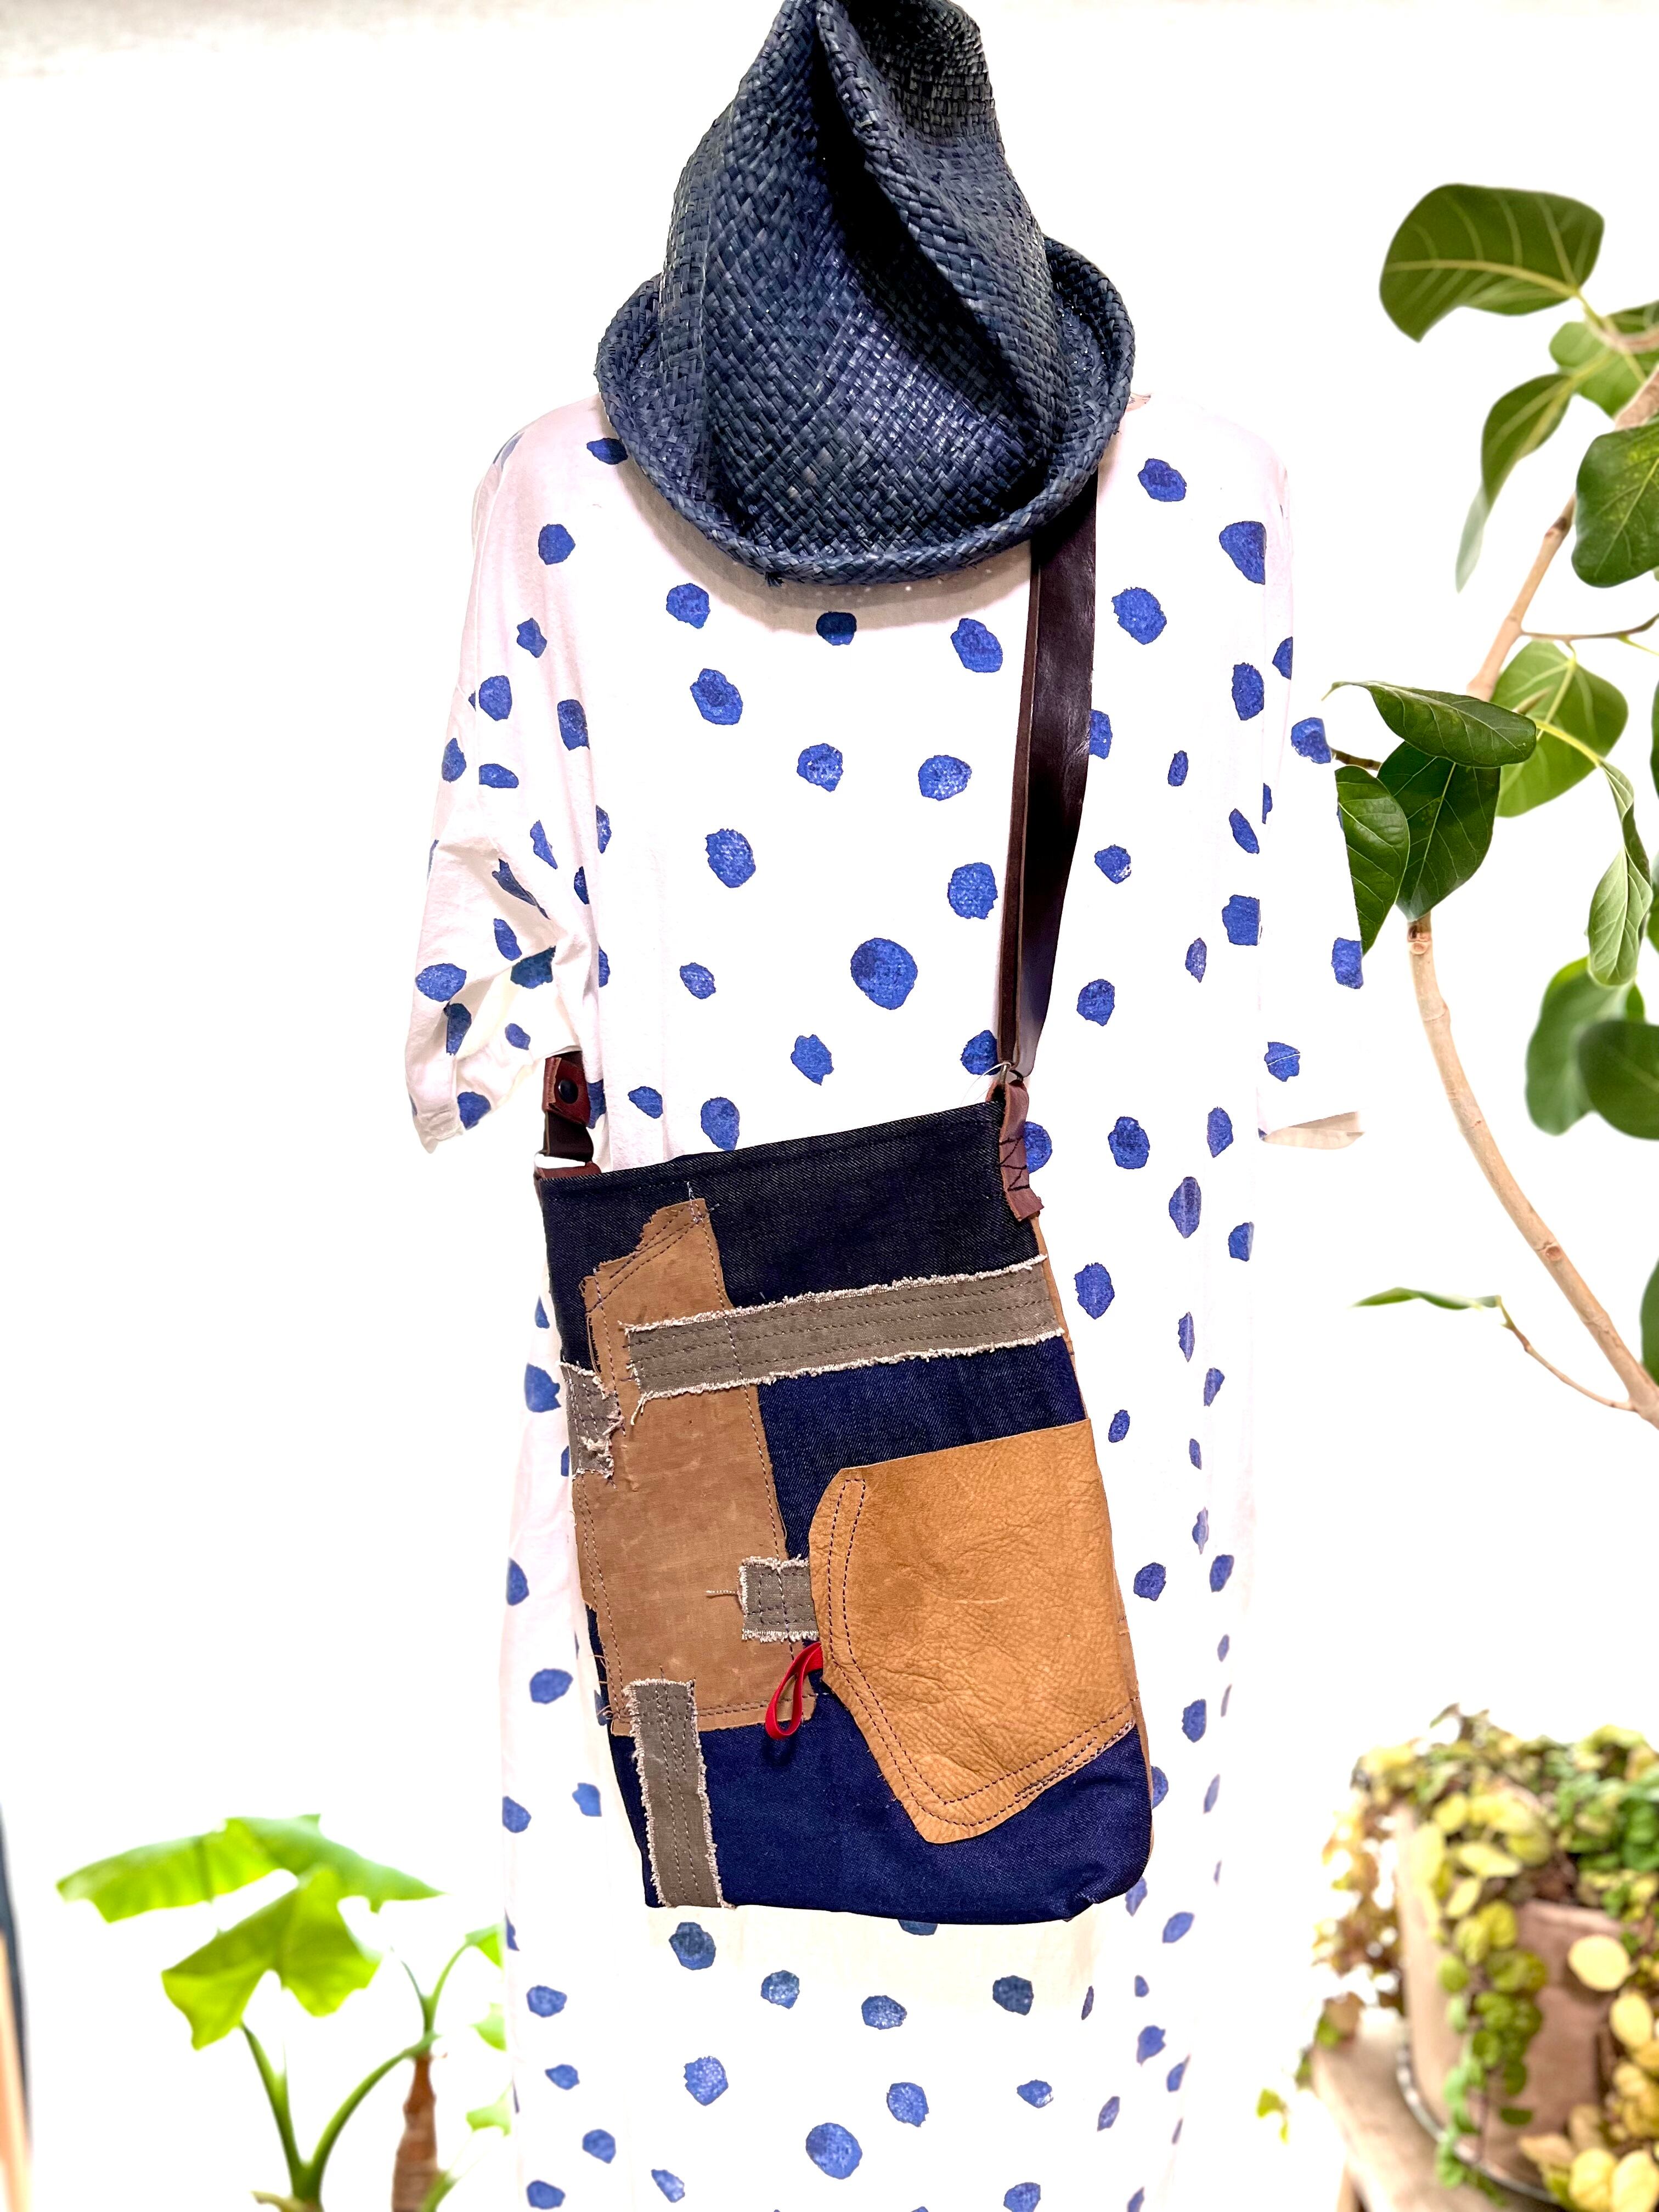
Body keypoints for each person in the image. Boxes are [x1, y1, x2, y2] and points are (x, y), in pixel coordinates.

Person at [405, 2, 1363, 2203]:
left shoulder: (564, 505)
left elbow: (467, 1017)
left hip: (700, 1410)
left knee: (756, 1970)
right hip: (1070, 1430)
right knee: (956, 1945)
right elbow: (1295, 1041)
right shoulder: (1200, 505)